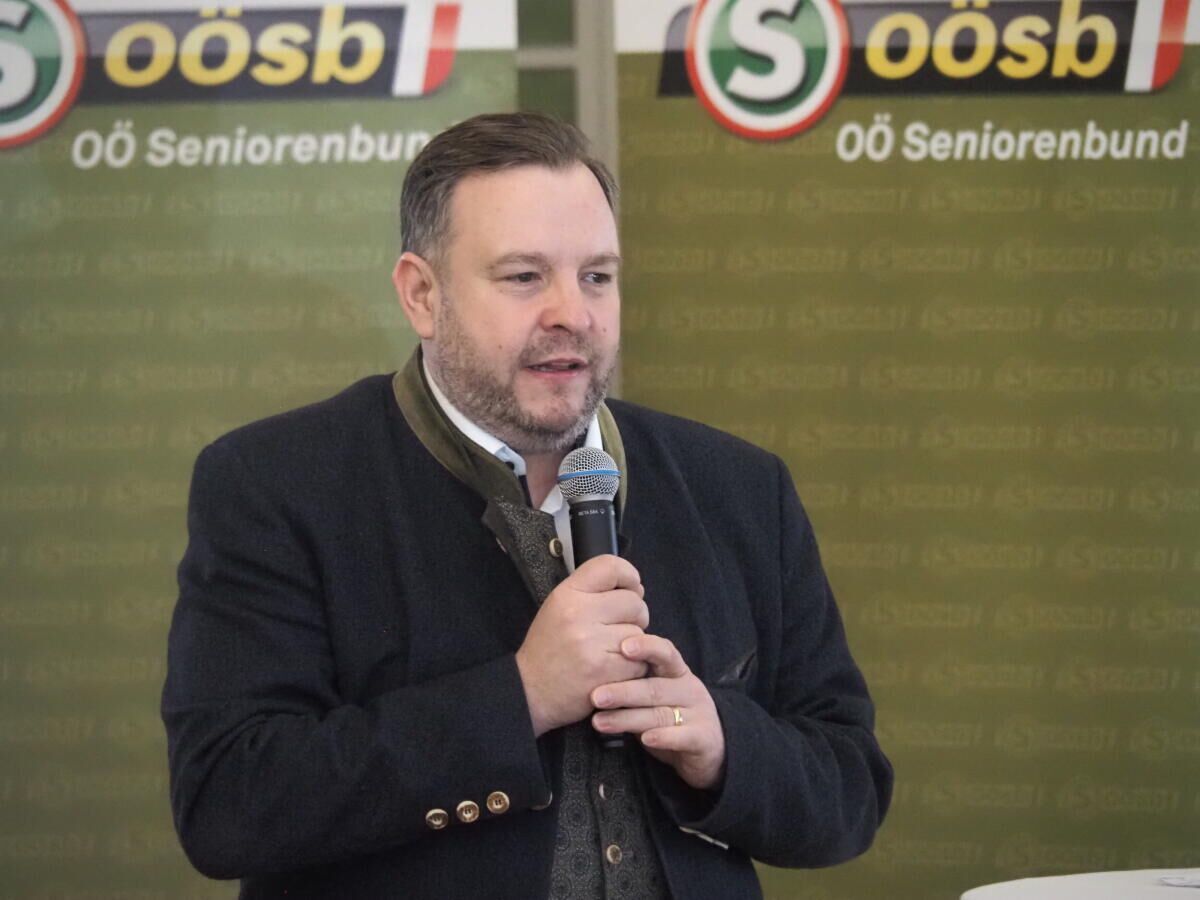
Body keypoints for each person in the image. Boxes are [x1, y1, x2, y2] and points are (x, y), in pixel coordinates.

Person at [163, 112, 892, 899]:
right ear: (421, 294)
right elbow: (228, 803)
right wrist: (522, 696)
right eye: (524, 277)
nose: (572, 313)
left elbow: (848, 788)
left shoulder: (740, 487)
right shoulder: (276, 484)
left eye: (597, 276)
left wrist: (722, 746)